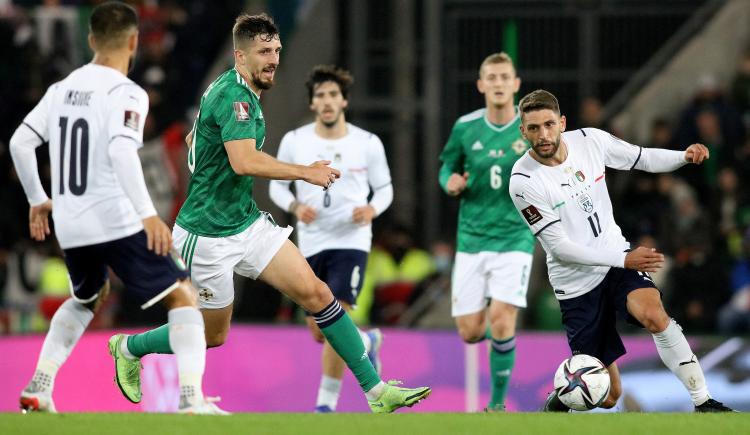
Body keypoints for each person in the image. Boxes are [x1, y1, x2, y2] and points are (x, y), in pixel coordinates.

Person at [111, 13, 430, 413]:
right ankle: (128, 347)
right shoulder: (236, 96)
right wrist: (305, 172)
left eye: (277, 50)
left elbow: (197, 137)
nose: (274, 59)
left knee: (318, 294)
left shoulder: (234, 88)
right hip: (206, 235)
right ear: (240, 56)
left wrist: (206, 154)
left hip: (245, 222)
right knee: (212, 334)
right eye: (264, 52)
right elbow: (244, 162)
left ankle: (376, 392)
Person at [9, 2, 221, 414]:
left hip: (71, 223)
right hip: (116, 219)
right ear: (133, 41)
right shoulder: (128, 93)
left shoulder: (60, 90)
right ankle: (192, 400)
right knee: (182, 296)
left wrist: (38, 199)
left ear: (91, 40)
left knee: (87, 297)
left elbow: (20, 143)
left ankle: (40, 384)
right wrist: (147, 215)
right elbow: (123, 151)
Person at [508, 89, 735, 412]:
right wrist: (624, 258)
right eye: (533, 128)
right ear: (523, 131)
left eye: (548, 125)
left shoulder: (590, 140)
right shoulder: (523, 180)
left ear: (562, 123)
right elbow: (560, 248)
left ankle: (703, 401)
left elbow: (641, 157)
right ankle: (559, 401)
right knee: (609, 394)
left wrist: (681, 157)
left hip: (614, 256)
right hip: (576, 283)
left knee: (654, 314)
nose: (542, 135)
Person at [268, 65, 392, 412]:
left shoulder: (367, 142)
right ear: (312, 104)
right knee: (320, 331)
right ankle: (366, 341)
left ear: (344, 101)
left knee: (337, 311)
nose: (327, 101)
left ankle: (325, 405)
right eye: (320, 95)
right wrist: (294, 204)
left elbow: (385, 189)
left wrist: (371, 210)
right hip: (311, 241)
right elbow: (276, 186)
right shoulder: (295, 140)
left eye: (333, 94)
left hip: (352, 240)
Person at [438, 52, 534, 411]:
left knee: (502, 318)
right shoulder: (465, 127)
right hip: (472, 239)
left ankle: (496, 406)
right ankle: (502, 343)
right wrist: (450, 182)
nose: (497, 83)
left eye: (504, 77)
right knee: (471, 332)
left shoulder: (529, 128)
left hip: (515, 237)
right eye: (490, 77)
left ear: (516, 84)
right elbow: (447, 164)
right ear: (480, 85)